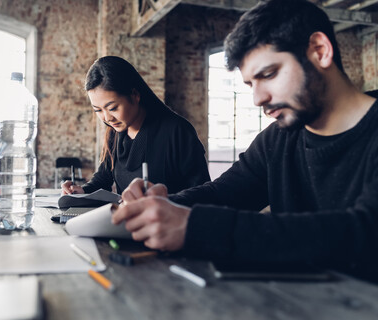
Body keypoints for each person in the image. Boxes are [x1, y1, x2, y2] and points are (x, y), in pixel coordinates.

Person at [112, 0, 378, 282]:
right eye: (251, 84)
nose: (258, 99)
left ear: (319, 51)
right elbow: (223, 194)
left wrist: (197, 227)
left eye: (269, 74)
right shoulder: (277, 140)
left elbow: (362, 232)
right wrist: (159, 207)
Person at [61, 56, 210, 195]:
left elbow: (201, 192)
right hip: (127, 221)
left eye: (112, 108)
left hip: (167, 220)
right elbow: (103, 178)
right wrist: (80, 191)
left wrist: (165, 202)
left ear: (135, 95)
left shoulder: (177, 131)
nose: (107, 118)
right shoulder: (115, 132)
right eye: (98, 110)